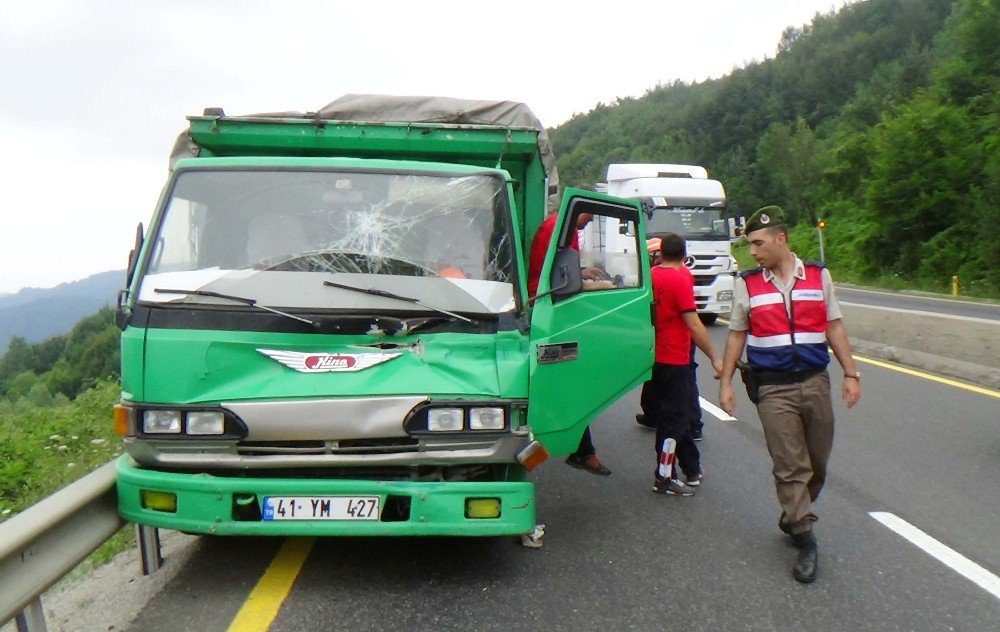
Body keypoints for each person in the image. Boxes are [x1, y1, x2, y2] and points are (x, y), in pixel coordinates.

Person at [718, 205, 861, 584]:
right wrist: (726, 382)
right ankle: (805, 535)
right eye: (750, 244)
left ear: (780, 239)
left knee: (817, 463)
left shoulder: (818, 276)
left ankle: (793, 512)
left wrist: (851, 372)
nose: (753, 251)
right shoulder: (747, 283)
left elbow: (834, 325)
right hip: (772, 388)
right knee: (790, 465)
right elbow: (736, 334)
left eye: (758, 243)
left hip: (816, 381)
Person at [526, 210, 611, 476]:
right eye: (589, 217)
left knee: (564, 376)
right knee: (566, 376)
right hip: (548, 306)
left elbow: (561, 267)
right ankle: (573, 448)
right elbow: (560, 273)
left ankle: (581, 449)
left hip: (547, 302)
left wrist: (583, 272)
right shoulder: (560, 227)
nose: (589, 223)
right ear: (581, 210)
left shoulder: (558, 225)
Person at [647, 233, 722, 496]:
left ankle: (692, 469)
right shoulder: (680, 279)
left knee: (676, 418)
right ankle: (664, 477)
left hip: (653, 356)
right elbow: (692, 323)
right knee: (674, 423)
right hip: (675, 357)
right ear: (683, 253)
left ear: (661, 252)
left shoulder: (652, 275)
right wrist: (714, 356)